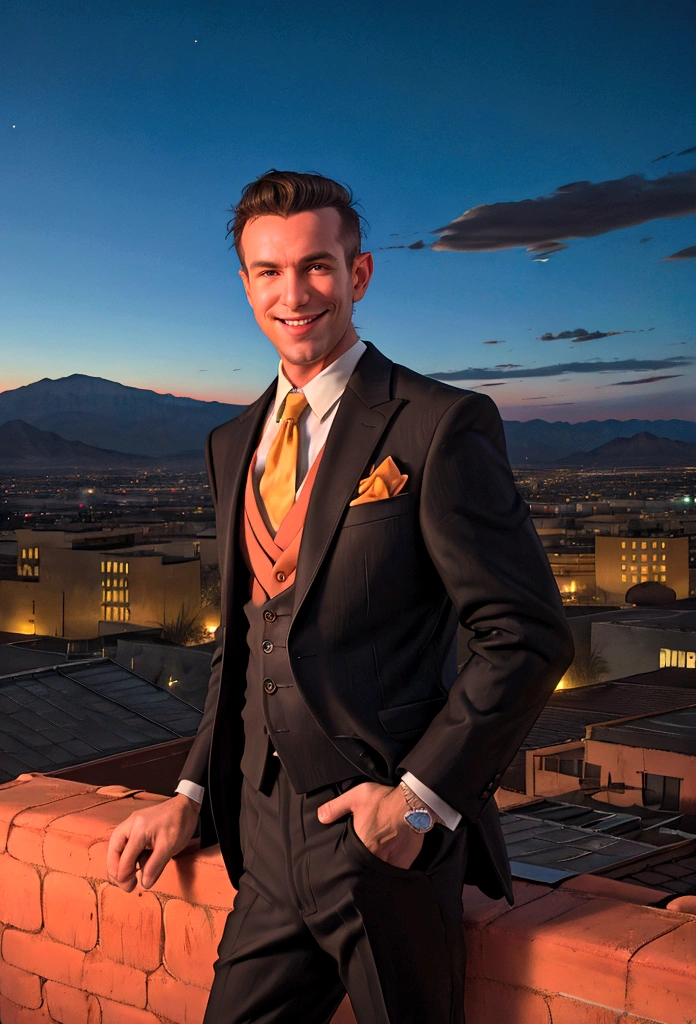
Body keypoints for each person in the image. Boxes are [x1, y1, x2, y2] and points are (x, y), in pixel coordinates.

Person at [107, 169, 574, 1023]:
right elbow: (242, 645)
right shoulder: (228, 442)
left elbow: (528, 635)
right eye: (269, 272)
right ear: (245, 284)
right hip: (262, 839)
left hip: (381, 843)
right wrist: (191, 796)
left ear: (357, 275)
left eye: (317, 267)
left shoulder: (439, 423)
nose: (295, 294)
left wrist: (419, 804)